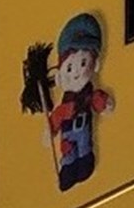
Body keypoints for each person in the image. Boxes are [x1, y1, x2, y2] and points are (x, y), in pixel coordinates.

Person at [47, 13, 114, 191]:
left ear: (95, 64)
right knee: (69, 154)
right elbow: (58, 115)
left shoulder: (87, 93)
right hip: (69, 134)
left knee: (84, 151)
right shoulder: (66, 103)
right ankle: (68, 171)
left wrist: (103, 103)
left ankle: (84, 163)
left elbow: (95, 100)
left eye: (84, 62)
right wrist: (50, 130)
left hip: (83, 131)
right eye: (70, 67)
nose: (77, 71)